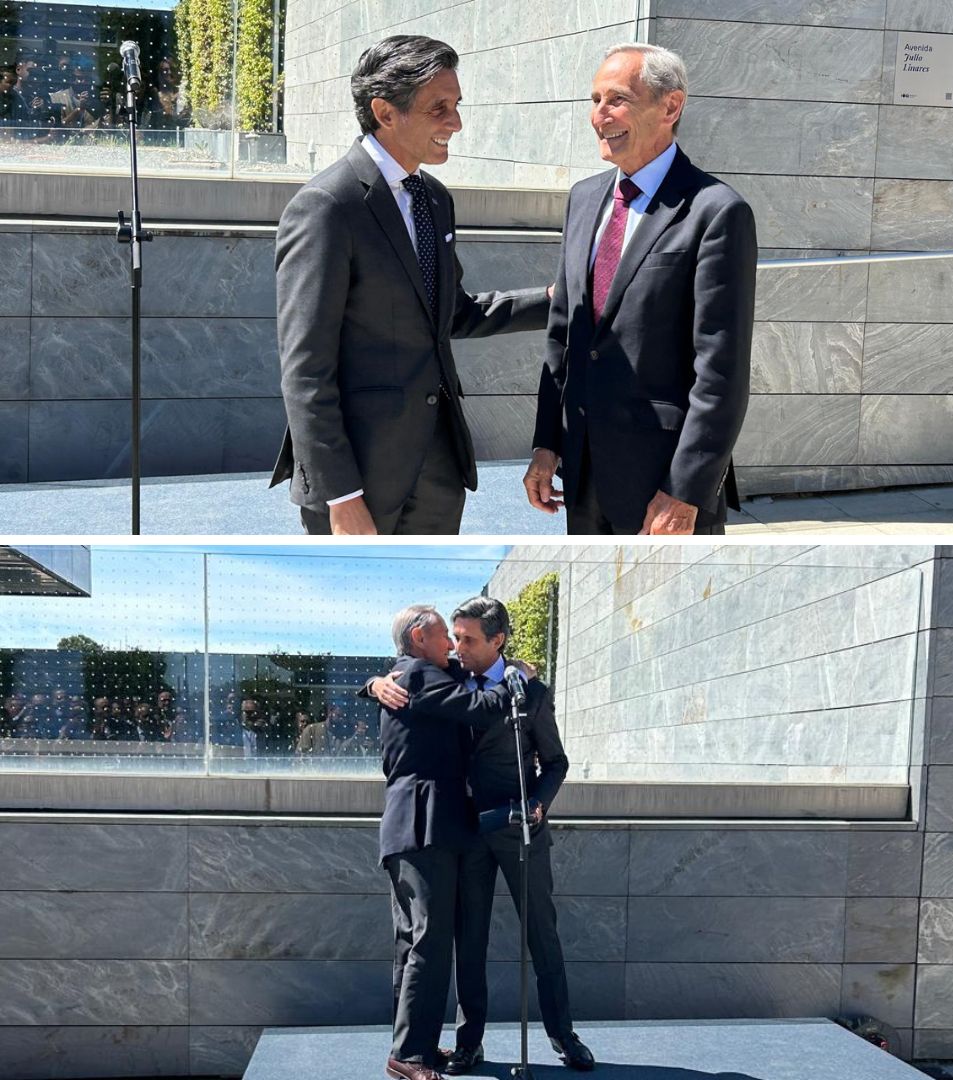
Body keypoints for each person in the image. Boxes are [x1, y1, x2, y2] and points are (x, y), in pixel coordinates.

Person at [271, 34, 551, 535]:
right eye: (439, 107)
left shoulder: (435, 199)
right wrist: (342, 495)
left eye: (457, 105)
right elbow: (305, 370)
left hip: (439, 468)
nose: (456, 122)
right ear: (385, 111)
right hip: (360, 477)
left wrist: (554, 301)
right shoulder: (327, 207)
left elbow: (453, 314)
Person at [524, 43, 757, 536]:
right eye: (594, 99)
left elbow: (721, 372)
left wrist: (685, 490)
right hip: (582, 479)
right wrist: (547, 444)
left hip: (662, 487)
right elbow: (562, 338)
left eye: (616, 99)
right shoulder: (584, 200)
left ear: (670, 107)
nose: (598, 115)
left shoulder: (716, 211)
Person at [370, 597, 593, 1073]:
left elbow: (556, 762)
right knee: (468, 944)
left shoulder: (531, 693)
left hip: (519, 831)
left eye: (468, 639)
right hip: (462, 834)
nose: (457, 647)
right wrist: (372, 684)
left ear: (498, 641)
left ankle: (563, 1035)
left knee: (542, 936)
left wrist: (537, 803)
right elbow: (404, 677)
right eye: (453, 635)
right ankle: (470, 1042)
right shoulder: (447, 679)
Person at [377, 604, 513, 1080]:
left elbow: (461, 673)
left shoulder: (410, 673)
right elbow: (482, 708)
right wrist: (513, 679)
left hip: (411, 828)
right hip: (424, 825)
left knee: (412, 944)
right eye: (444, 637)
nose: (453, 647)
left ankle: (412, 1045)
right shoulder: (418, 675)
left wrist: (371, 682)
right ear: (418, 638)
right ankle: (409, 1056)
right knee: (429, 943)